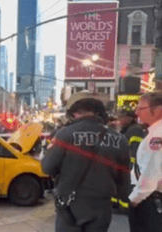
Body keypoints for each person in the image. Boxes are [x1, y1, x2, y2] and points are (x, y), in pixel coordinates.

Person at [42, 91, 130, 232]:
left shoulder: (65, 134)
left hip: (70, 205)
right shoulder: (120, 139)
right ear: (100, 113)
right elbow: (124, 178)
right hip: (102, 204)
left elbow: (47, 168)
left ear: (74, 113)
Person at [128, 92, 162, 231]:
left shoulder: (156, 136)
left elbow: (150, 172)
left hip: (151, 202)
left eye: (141, 108)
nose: (136, 112)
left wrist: (134, 199)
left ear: (158, 110)